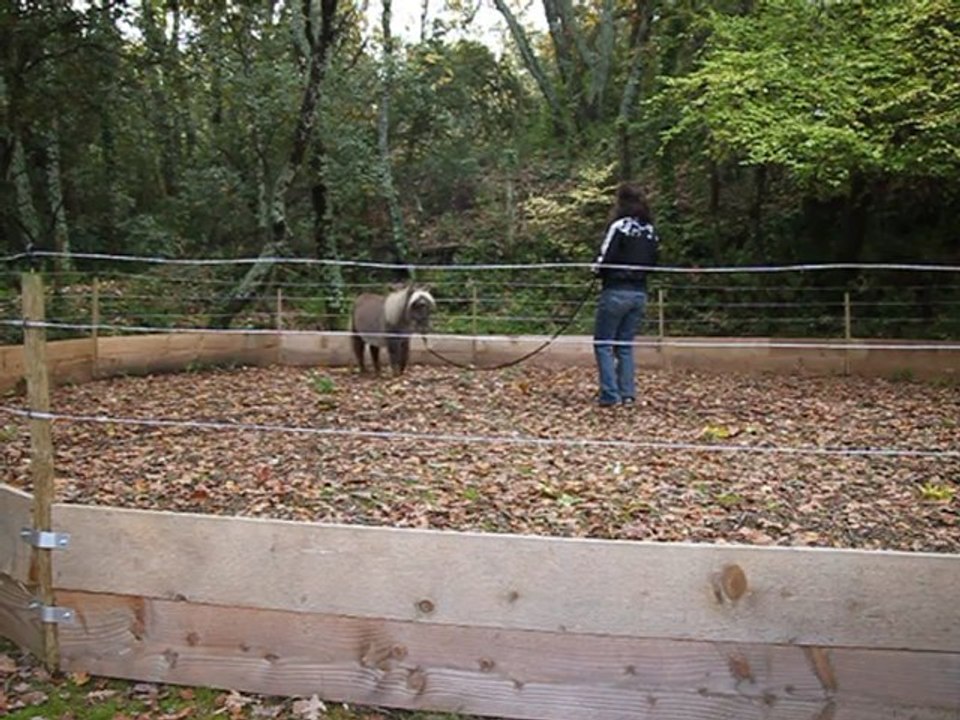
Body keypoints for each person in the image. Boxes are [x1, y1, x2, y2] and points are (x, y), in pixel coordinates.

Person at [592, 182, 659, 407]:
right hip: (639, 293)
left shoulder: (619, 227)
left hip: (615, 291)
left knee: (603, 343)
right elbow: (653, 261)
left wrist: (597, 270)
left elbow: (606, 255)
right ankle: (628, 394)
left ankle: (610, 395)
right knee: (625, 345)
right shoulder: (650, 230)